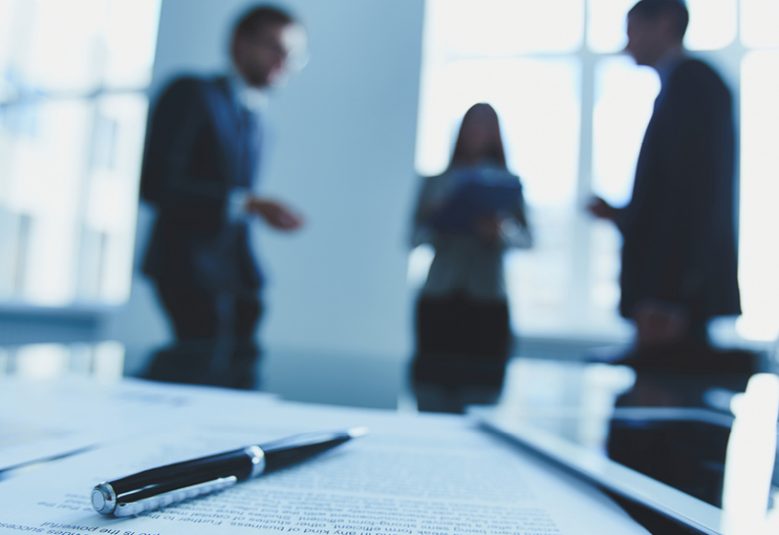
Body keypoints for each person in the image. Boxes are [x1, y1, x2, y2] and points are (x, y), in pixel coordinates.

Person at [139, 5, 307, 389]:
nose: (284, 62)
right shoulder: (192, 93)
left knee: (239, 367)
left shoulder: (260, 120)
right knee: (195, 370)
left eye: (293, 55)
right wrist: (247, 204)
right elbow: (156, 185)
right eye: (275, 48)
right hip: (188, 266)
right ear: (239, 42)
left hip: (236, 273)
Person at [588, 0, 740, 354]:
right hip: (673, 289)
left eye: (633, 30)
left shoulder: (694, 84)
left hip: (675, 297)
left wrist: (673, 293)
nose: (627, 44)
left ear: (665, 23)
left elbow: (697, 194)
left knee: (670, 396)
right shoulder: (680, 85)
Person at [410, 103, 531, 412]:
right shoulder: (435, 181)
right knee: (432, 391)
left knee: (483, 393)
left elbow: (528, 239)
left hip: (487, 300)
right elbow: (411, 238)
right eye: (472, 125)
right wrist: (437, 219)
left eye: (485, 126)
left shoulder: (509, 182)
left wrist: (499, 231)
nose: (477, 133)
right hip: (440, 297)